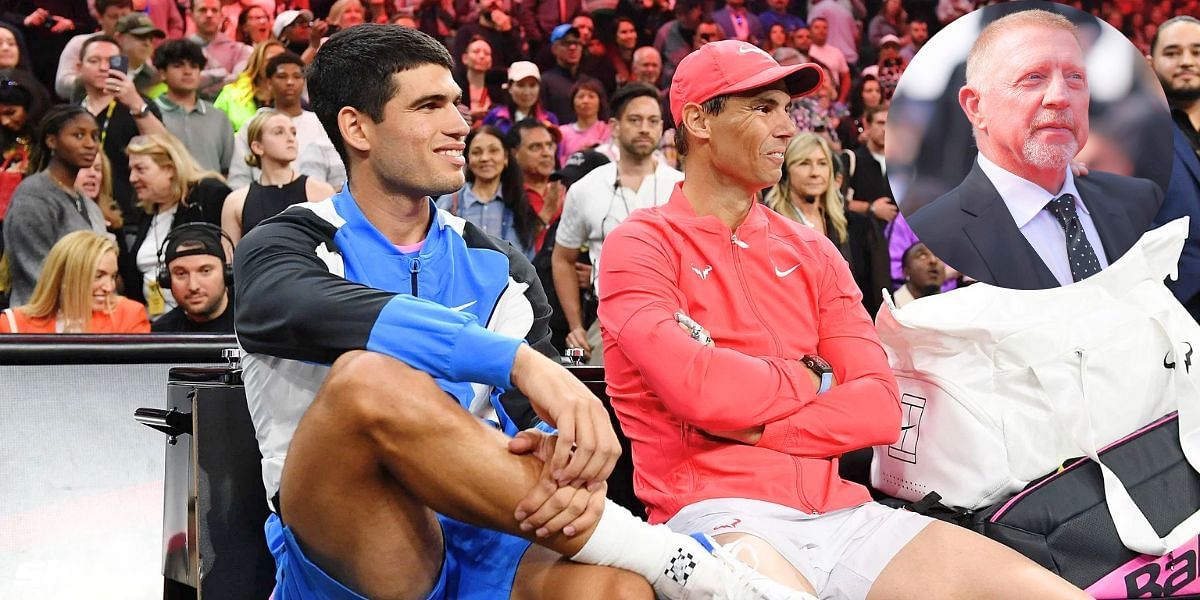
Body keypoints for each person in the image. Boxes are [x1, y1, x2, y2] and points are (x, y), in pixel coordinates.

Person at [234, 23, 810, 600]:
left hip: (489, 526)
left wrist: (562, 449)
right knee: (369, 379)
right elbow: (292, 310)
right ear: (357, 127)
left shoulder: (496, 263)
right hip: (362, 542)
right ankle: (682, 563)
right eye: (429, 106)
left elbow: (533, 421)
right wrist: (518, 363)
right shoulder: (286, 243)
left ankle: (665, 567)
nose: (459, 125)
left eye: (457, 104)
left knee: (614, 589)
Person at [598, 38, 1091, 600]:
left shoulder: (812, 250)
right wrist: (810, 377)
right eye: (763, 108)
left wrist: (762, 427)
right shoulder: (638, 245)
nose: (786, 128)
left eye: (786, 109)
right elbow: (700, 391)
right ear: (697, 121)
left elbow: (880, 408)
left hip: (846, 514)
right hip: (716, 515)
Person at [907, 9, 1163, 290]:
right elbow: (943, 149)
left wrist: (1057, 154)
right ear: (975, 106)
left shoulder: (1139, 199)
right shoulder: (939, 233)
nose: (1060, 97)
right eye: (1033, 77)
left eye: (1075, 76)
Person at [553, 82, 680, 364]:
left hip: (678, 320)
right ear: (615, 126)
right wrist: (576, 326)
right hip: (608, 321)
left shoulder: (682, 186)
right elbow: (562, 258)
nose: (645, 128)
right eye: (635, 120)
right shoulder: (586, 188)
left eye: (653, 121)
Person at [3, 106, 107, 307]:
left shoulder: (86, 202)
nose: (90, 144)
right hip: (41, 323)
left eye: (95, 136)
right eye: (78, 135)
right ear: (51, 141)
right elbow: (34, 268)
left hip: (84, 317)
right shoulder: (33, 195)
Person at [124, 133, 230, 315]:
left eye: (140, 169)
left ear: (169, 169)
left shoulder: (209, 195)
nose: (132, 178)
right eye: (131, 170)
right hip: (155, 326)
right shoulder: (147, 213)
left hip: (203, 323)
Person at [78, 34, 168, 218]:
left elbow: (165, 148)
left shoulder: (140, 105)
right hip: (80, 211)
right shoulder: (72, 113)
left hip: (132, 213)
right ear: (79, 68)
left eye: (111, 61)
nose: (103, 67)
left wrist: (135, 104)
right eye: (94, 61)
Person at [227, 52, 344, 189]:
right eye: (282, 77)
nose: (290, 82)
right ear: (269, 82)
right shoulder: (253, 125)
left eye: (297, 76)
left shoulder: (321, 123)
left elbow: (338, 173)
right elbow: (239, 178)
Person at [1149, 15, 1200, 320]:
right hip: (1172, 307)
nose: (1185, 61)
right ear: (1150, 63)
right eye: (1171, 53)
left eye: (1197, 52)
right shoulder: (1127, 135)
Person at [222, 110, 337, 244]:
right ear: (258, 147)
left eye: (293, 132)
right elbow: (230, 260)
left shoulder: (321, 193)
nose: (290, 138)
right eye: (279, 132)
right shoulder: (235, 203)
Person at [0, 231, 148, 334]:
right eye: (98, 275)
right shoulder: (13, 325)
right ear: (65, 276)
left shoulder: (129, 316)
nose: (109, 287)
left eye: (113, 276)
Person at [437, 125, 541, 258]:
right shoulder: (450, 201)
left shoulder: (520, 202)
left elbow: (528, 260)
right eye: (476, 152)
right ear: (467, 159)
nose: (485, 158)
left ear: (506, 158)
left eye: (493, 151)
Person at [152, 39, 236, 175]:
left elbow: (229, 169)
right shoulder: (149, 113)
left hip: (212, 194)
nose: (187, 71)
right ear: (162, 73)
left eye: (194, 66)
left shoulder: (218, 117)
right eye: (178, 65)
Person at [151, 223, 236, 333]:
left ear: (227, 274)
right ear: (166, 280)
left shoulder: (257, 322)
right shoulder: (162, 333)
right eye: (181, 274)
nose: (193, 286)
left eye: (205, 271)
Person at [54, 0, 132, 101]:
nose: (121, 22)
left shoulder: (138, 47)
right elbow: (61, 87)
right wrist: (92, 78)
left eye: (125, 16)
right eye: (114, 16)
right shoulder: (80, 43)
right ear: (100, 18)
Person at [510, 118, 563, 251]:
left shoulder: (566, 188)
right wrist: (546, 213)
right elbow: (511, 246)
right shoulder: (505, 194)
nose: (547, 153)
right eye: (535, 147)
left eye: (549, 145)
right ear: (514, 153)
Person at [213, 39, 285, 132]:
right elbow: (214, 132)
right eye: (271, 60)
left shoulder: (291, 95)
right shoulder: (231, 94)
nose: (278, 65)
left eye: (283, 60)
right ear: (257, 62)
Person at [190, 0, 254, 100]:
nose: (209, 15)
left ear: (221, 16)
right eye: (203, 10)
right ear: (191, 15)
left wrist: (202, 79)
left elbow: (236, 83)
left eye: (214, 10)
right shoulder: (180, 50)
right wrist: (222, 73)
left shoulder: (239, 50)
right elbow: (182, 82)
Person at [542, 24, 604, 123]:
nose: (572, 47)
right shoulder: (545, 82)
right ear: (554, 48)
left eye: (577, 43)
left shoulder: (593, 83)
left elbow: (604, 118)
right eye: (566, 43)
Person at [483, 61, 560, 134]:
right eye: (520, 85)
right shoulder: (495, 117)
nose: (527, 92)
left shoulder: (550, 119)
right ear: (510, 87)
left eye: (532, 85)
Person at [114, 13, 167, 97]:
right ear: (119, 37)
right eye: (140, 36)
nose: (147, 43)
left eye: (151, 39)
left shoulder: (155, 79)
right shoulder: (103, 71)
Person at [454, 36, 503, 125]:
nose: (482, 56)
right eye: (476, 52)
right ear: (465, 58)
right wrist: (470, 116)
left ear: (491, 61)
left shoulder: (498, 88)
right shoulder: (454, 87)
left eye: (487, 53)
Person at [558, 79, 611, 161]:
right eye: (581, 96)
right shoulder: (562, 132)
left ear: (600, 102)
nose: (585, 101)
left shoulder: (608, 130)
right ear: (573, 102)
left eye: (591, 96)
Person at [892, 241, 945, 308]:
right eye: (922, 256)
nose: (933, 260)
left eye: (938, 256)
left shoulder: (953, 308)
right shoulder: (891, 308)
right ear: (905, 271)